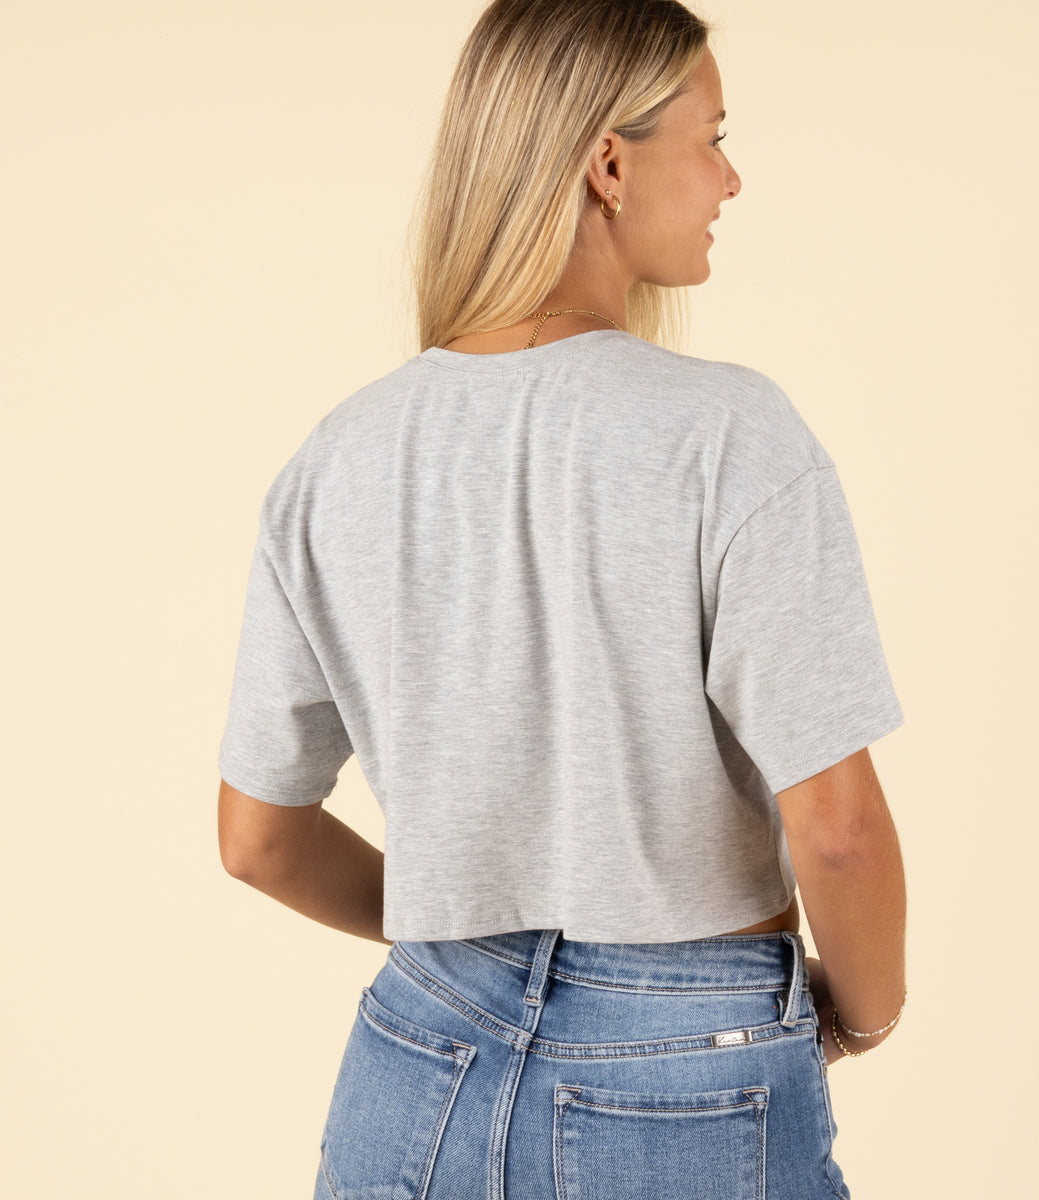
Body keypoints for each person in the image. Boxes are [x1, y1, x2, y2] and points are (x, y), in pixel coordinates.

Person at [216, 2, 907, 1197]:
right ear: (607, 164)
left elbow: (256, 840)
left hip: (415, 1063)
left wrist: (466, 929)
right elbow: (837, 830)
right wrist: (860, 1015)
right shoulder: (730, 434)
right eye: (712, 138)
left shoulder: (338, 458)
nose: (731, 179)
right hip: (693, 1069)